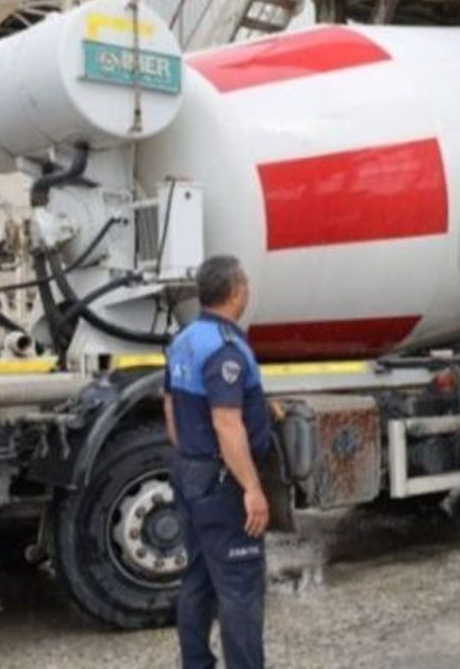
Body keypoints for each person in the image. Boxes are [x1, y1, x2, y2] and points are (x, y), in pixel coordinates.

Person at [164, 255, 271, 669]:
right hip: (222, 483)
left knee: (198, 580)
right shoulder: (225, 349)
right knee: (240, 589)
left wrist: (190, 455)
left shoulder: (185, 339)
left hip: (190, 471)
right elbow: (227, 423)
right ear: (235, 292)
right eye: (246, 285)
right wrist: (252, 488)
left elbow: (171, 406)